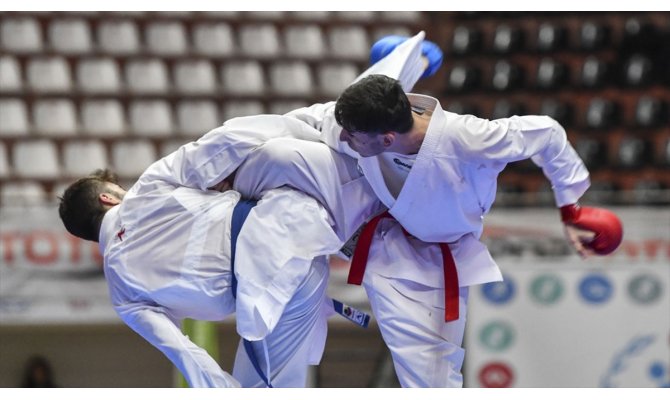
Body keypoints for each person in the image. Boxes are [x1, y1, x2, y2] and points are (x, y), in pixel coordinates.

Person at [286, 35, 623, 387]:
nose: (344, 138)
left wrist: (570, 206)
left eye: (353, 137)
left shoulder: (469, 138)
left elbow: (547, 133)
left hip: (431, 256)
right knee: (290, 153)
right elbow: (353, 100)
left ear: (387, 139)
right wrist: (416, 58)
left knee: (431, 380)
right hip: (370, 217)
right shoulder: (360, 118)